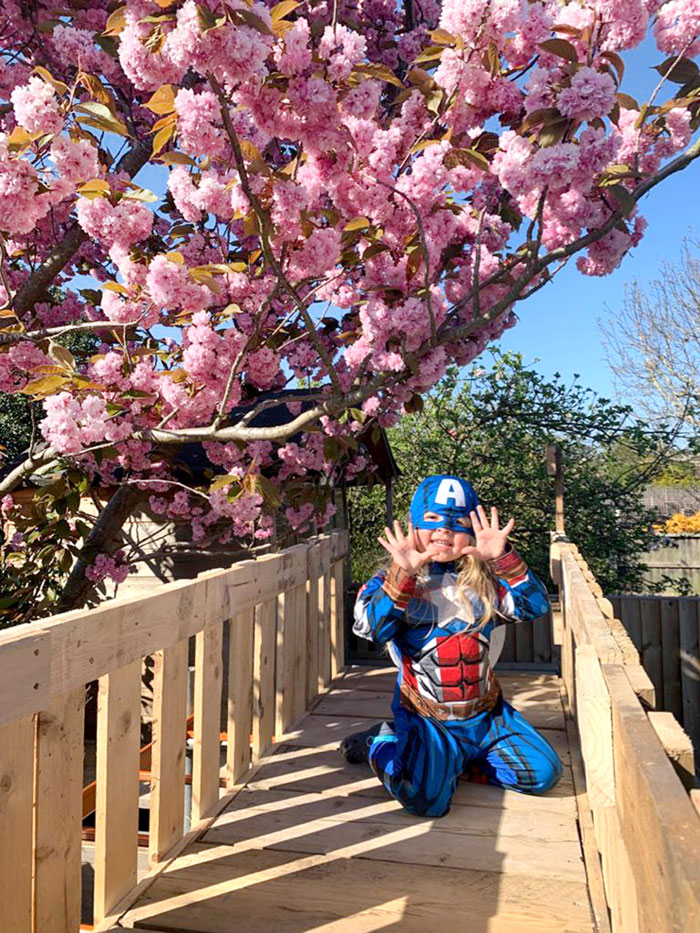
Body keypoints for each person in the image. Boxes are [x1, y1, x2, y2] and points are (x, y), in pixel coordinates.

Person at [341, 474, 562, 818]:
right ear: (414, 525)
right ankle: (381, 741)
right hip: (428, 718)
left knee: (543, 774)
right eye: (432, 519)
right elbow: (371, 629)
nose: (444, 529)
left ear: (471, 532)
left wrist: (502, 559)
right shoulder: (388, 582)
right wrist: (403, 576)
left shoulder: (485, 583)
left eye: (457, 523)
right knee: (426, 802)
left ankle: (454, 764)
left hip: (487, 717)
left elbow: (534, 605)